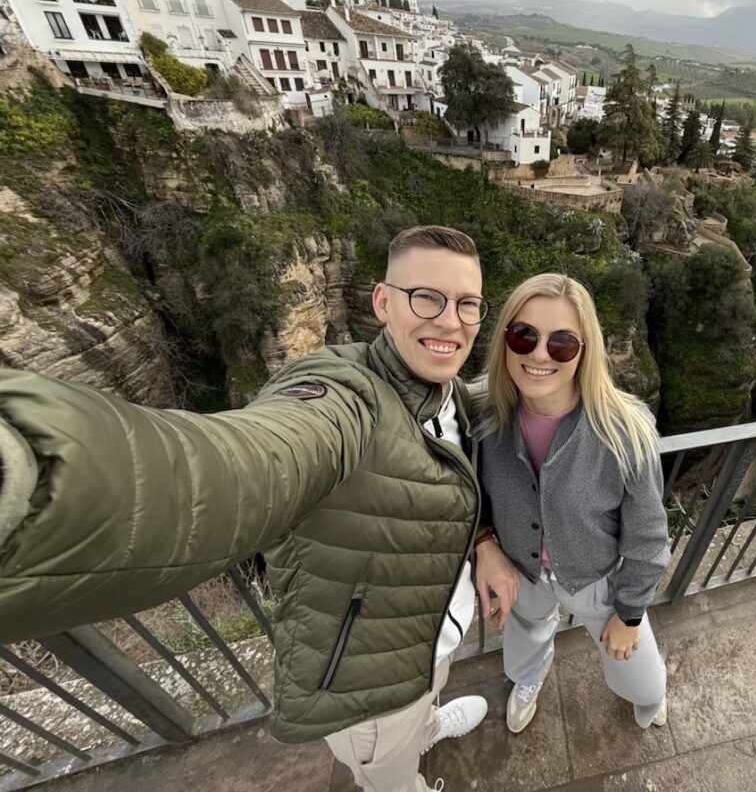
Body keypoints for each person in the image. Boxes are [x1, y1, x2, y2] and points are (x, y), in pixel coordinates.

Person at [0, 225, 521, 792]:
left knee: (424, 699)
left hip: (426, 648)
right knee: (389, 780)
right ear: (382, 302)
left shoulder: (450, 400)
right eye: (427, 297)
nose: (449, 321)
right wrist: (37, 477)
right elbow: (246, 462)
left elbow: (463, 455)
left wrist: (486, 540)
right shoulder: (344, 394)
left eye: (467, 304)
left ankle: (425, 726)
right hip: (368, 690)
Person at [475, 274, 670, 734]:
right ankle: (528, 681)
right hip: (522, 571)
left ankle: (649, 693)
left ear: (586, 351)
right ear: (505, 340)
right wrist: (485, 542)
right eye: (524, 335)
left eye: (562, 343)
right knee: (526, 639)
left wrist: (629, 613)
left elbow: (648, 535)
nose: (539, 354)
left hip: (595, 577)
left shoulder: (626, 430)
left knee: (639, 673)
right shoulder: (483, 415)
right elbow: (466, 494)